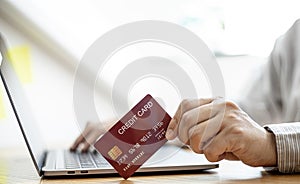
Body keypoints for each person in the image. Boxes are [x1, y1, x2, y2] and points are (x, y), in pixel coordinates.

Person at [71, 20, 300, 173]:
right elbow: (246, 118)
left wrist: (271, 144)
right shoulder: (293, 38)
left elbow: (257, 135)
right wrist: (156, 127)